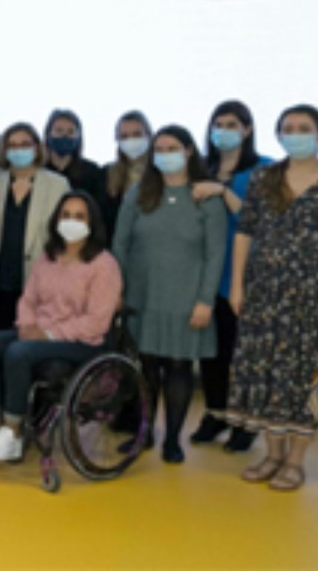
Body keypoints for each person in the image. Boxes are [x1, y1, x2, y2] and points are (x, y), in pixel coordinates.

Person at [0, 191, 123, 462]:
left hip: (81, 342)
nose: (72, 221)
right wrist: (26, 325)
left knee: (19, 353)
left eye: (79, 216)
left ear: (92, 223)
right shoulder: (48, 257)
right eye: (66, 215)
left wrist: (48, 334)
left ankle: (13, 430)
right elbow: (28, 298)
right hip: (38, 331)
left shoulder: (104, 264)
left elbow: (97, 321)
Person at [112, 125, 227, 464]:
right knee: (145, 367)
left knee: (178, 368)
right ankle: (144, 432)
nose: (164, 154)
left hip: (186, 300)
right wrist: (118, 288)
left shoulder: (206, 197)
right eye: (158, 148)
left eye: (172, 147)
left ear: (189, 151)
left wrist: (205, 300)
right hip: (142, 296)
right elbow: (120, 242)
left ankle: (173, 439)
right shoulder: (138, 192)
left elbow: (215, 254)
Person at [227, 104, 318, 492]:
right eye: (288, 128)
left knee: (300, 378)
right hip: (264, 294)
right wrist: (237, 285)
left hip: (310, 299)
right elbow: (245, 232)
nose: (295, 133)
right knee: (264, 375)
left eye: (304, 127)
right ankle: (272, 453)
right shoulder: (264, 177)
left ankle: (295, 461)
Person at [194, 99, 270, 454]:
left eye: (231, 124)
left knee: (244, 355)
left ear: (248, 129)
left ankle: (246, 421)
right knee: (211, 353)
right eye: (217, 123)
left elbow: (265, 224)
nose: (222, 130)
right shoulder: (201, 168)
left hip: (245, 277)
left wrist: (225, 194)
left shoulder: (264, 170)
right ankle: (215, 413)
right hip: (203, 278)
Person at [0, 123, 70, 331]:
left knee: (30, 345)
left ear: (37, 147)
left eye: (25, 144)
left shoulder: (58, 185)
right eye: (12, 145)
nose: (18, 150)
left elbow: (64, 237)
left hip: (39, 280)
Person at [101, 110, 153, 238]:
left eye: (137, 134)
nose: (131, 140)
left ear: (149, 136)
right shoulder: (106, 174)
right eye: (124, 136)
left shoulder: (161, 172)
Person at [43, 109, 106, 199]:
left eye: (70, 132)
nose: (64, 136)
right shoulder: (39, 170)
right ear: (48, 134)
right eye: (59, 130)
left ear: (78, 137)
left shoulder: (92, 172)